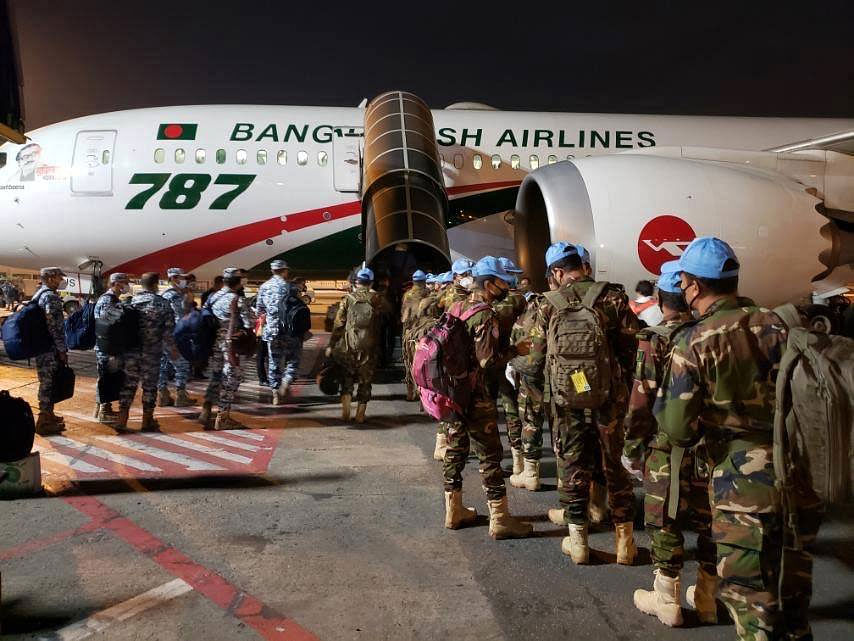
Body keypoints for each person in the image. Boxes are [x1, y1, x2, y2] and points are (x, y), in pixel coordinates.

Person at [654, 237, 820, 641]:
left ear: (693, 285)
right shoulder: (782, 324)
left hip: (741, 487)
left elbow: (677, 429)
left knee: (751, 606)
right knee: (792, 603)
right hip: (799, 475)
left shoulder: (693, 342)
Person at [524, 242, 640, 564]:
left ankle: (578, 542)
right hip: (609, 399)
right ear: (583, 267)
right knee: (614, 464)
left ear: (557, 273)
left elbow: (533, 361)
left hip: (566, 400)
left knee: (572, 463)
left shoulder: (546, 305)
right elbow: (632, 352)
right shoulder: (613, 298)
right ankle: (625, 544)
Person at [622, 261, 715, 627]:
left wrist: (632, 449)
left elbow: (640, 402)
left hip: (666, 449)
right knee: (709, 521)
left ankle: (667, 599)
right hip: (707, 448)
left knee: (666, 521)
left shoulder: (654, 339)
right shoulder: (707, 335)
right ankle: (708, 596)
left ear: (661, 299)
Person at [442, 256, 533, 539]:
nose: (507, 286)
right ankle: (500, 518)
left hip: (453, 392)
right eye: (502, 281)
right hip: (477, 395)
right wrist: (515, 351)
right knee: (490, 455)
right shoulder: (485, 314)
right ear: (489, 283)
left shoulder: (456, 306)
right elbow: (487, 361)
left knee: (456, 450)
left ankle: (453, 510)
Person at [114, 272, 175, 432]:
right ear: (156, 285)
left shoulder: (130, 301)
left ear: (142, 284)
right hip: (152, 353)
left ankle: (122, 418)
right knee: (149, 387)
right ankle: (147, 420)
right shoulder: (163, 304)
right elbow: (168, 332)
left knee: (128, 385)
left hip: (131, 352)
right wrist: (173, 350)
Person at [199, 268, 254, 430]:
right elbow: (250, 323)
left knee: (216, 377)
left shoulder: (213, 296)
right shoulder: (237, 299)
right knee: (231, 380)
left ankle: (207, 408)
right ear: (238, 282)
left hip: (217, 344)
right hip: (232, 346)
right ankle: (223, 417)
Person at [507, 280, 547, 491]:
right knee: (565, 426)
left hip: (533, 373)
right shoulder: (570, 305)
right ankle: (565, 479)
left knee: (531, 420)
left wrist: (513, 362)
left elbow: (517, 337)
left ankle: (531, 473)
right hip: (568, 376)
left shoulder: (531, 310)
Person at [327, 267, 380, 424]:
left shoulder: (348, 299)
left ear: (357, 281)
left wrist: (332, 343)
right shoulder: (377, 299)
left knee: (347, 377)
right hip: (369, 347)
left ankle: (346, 411)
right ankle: (360, 414)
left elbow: (338, 324)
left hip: (349, 345)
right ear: (370, 283)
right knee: (365, 380)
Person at [492, 257, 528, 478]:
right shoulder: (520, 300)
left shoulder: (487, 302)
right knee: (512, 410)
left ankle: (494, 462)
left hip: (490, 362)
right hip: (512, 360)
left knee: (486, 414)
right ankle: (518, 463)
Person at [256, 259, 302, 405]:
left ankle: (275, 392)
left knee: (274, 362)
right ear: (284, 271)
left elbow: (259, 310)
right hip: (290, 331)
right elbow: (299, 308)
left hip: (272, 331)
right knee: (294, 358)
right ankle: (287, 381)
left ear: (272, 271)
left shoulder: (264, 287)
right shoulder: (290, 287)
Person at [31, 267, 70, 435]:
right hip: (49, 348)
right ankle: (43, 421)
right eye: (59, 278)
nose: (61, 281)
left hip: (41, 346)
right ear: (51, 278)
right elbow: (54, 326)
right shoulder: (51, 297)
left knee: (47, 381)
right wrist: (62, 349)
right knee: (48, 383)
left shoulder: (39, 294)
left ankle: (49, 415)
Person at [93, 273, 131, 424]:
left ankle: (100, 409)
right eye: (124, 282)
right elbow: (108, 327)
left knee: (106, 377)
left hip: (108, 346)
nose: (126, 285)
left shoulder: (112, 299)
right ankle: (104, 411)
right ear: (116, 283)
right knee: (107, 378)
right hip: (107, 348)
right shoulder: (108, 300)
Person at [157, 268, 198, 408]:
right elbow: (180, 317)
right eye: (182, 278)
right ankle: (181, 395)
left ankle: (163, 394)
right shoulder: (174, 296)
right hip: (174, 335)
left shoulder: (163, 294)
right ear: (174, 278)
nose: (185, 281)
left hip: (162, 336)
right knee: (182, 365)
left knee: (163, 366)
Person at [401, 269, 430, 402]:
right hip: (426, 333)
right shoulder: (430, 294)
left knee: (410, 362)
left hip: (411, 333)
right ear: (424, 281)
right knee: (425, 363)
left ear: (413, 281)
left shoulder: (407, 295)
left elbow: (404, 317)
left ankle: (410, 392)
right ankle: (422, 391)